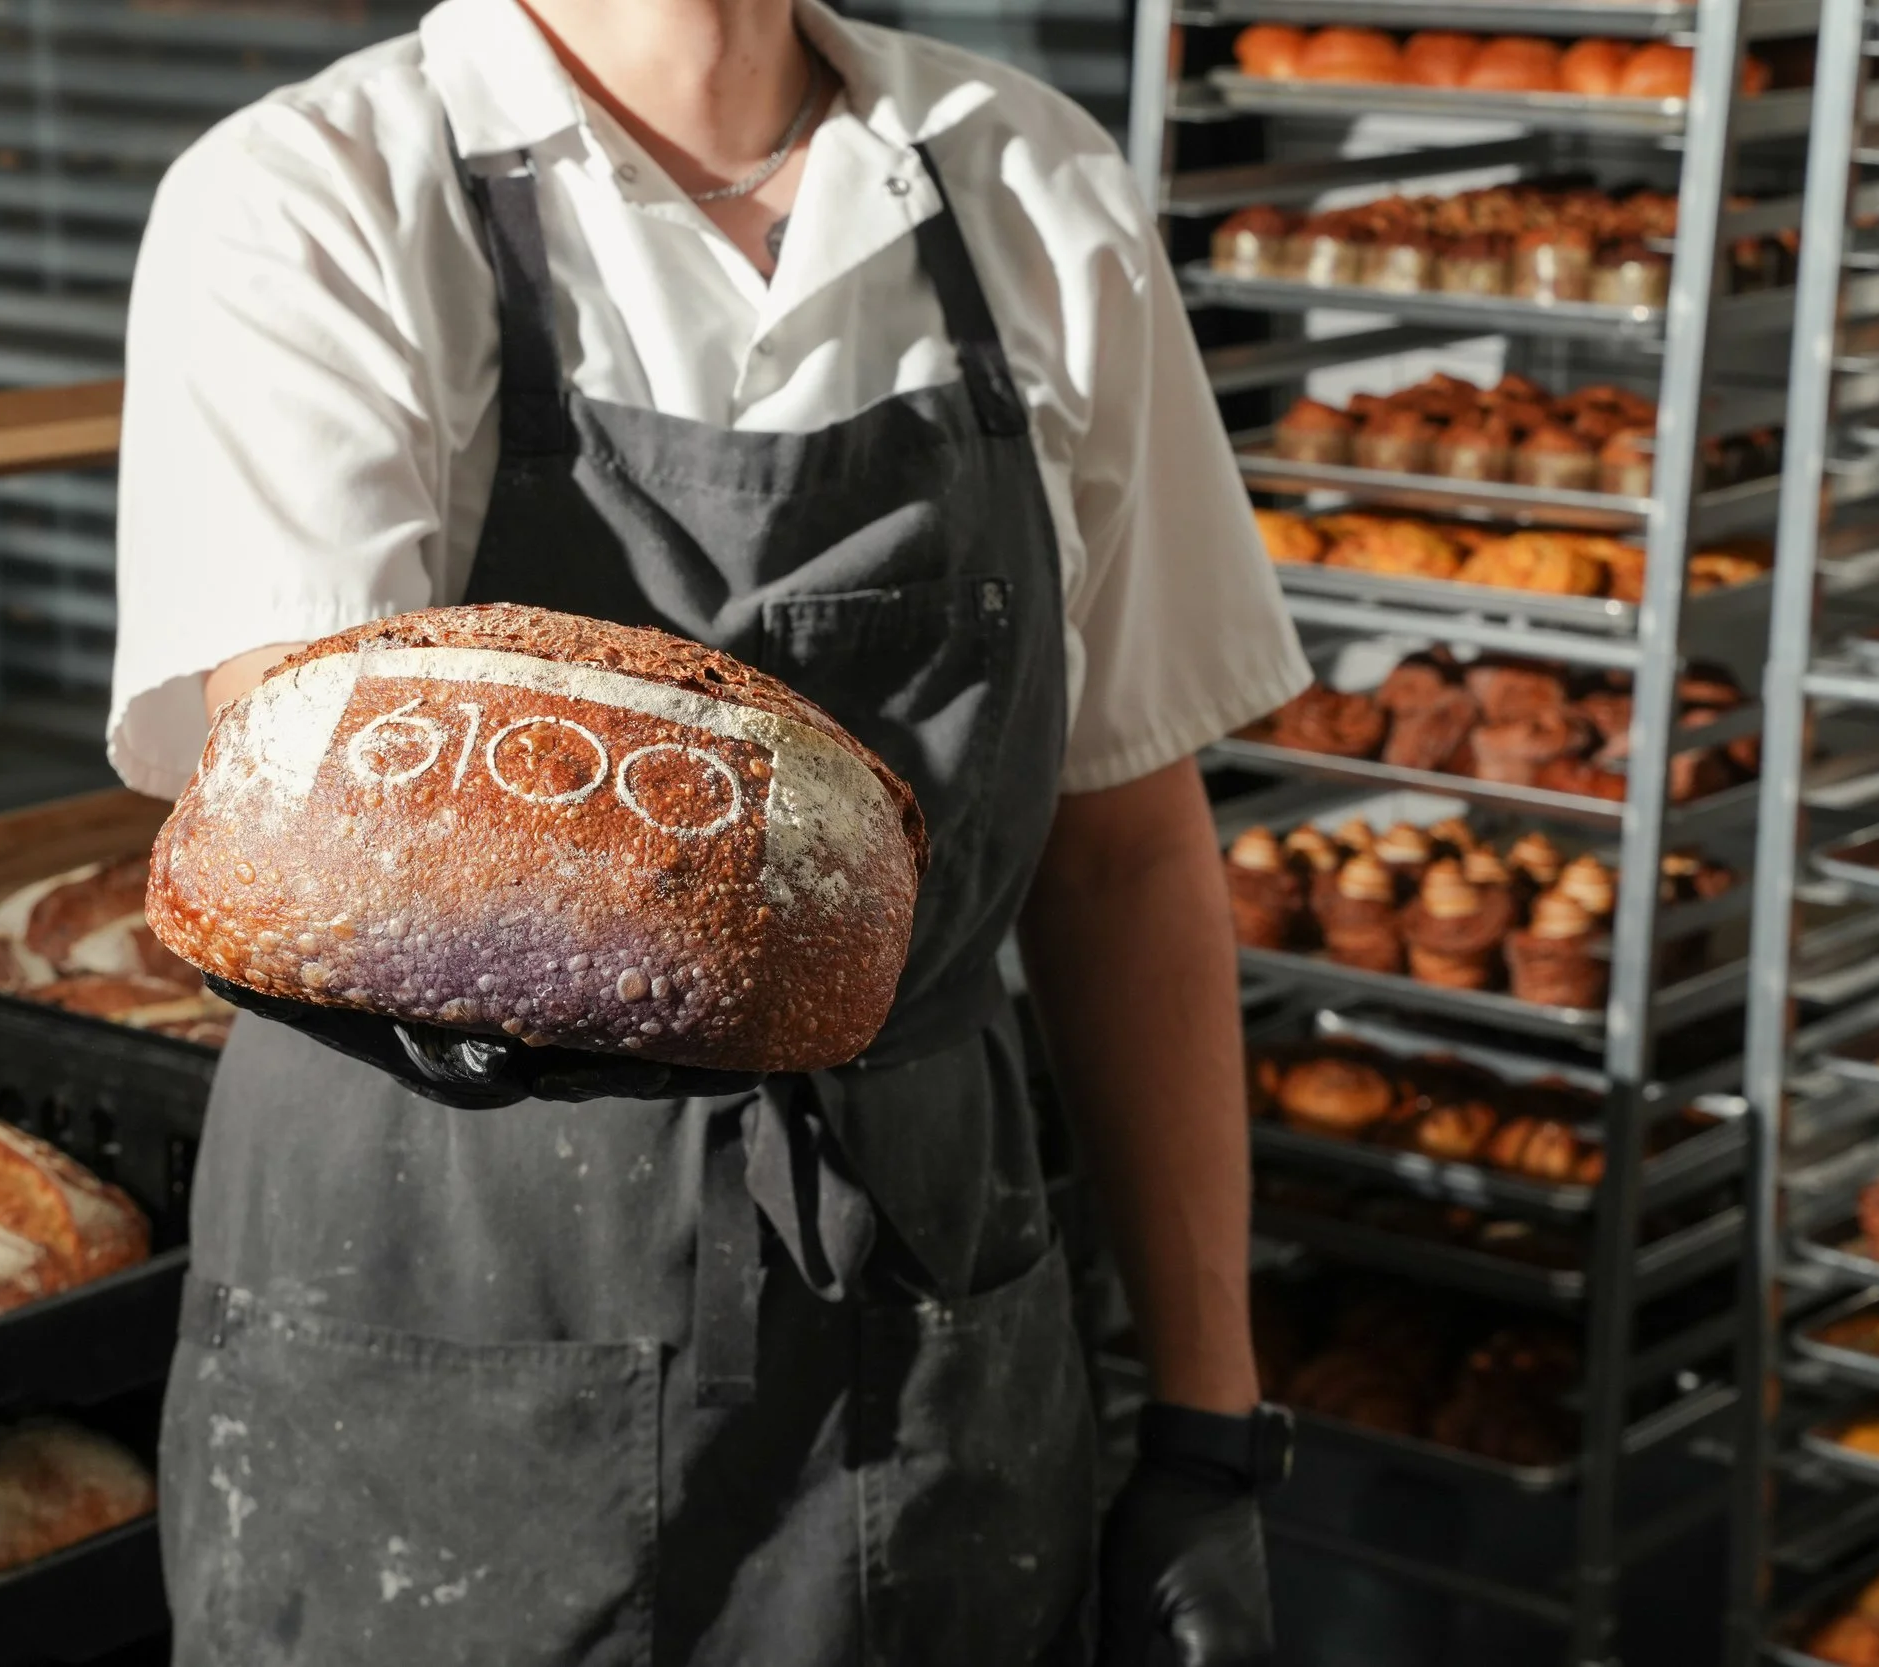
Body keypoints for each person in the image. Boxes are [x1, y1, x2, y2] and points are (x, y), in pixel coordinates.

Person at [110, 0, 1309, 1659]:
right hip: (444, 1306)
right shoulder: (315, 194)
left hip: (927, 1321)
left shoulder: (1029, 180)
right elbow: (340, 839)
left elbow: (1127, 851)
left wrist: (1209, 1428)